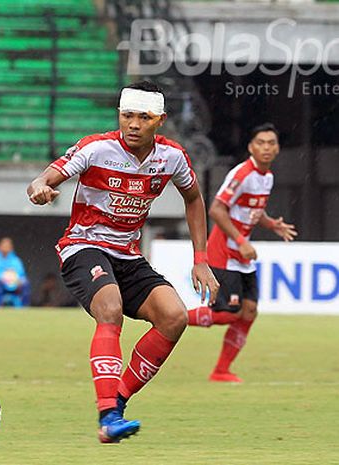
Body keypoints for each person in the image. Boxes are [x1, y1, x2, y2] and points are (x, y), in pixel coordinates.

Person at [27, 80, 219, 443]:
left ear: (160, 120)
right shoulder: (96, 149)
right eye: (127, 115)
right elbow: (46, 177)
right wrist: (40, 187)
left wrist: (201, 259)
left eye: (143, 117)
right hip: (83, 247)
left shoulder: (172, 157)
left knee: (174, 317)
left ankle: (117, 400)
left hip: (128, 255)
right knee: (110, 308)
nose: (133, 124)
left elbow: (194, 199)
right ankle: (107, 416)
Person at [187, 123, 297, 383]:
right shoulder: (243, 173)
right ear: (251, 147)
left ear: (278, 148)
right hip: (224, 252)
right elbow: (216, 209)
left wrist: (270, 224)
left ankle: (221, 371)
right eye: (261, 142)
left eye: (271, 143)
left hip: (242, 256)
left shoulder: (266, 177)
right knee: (228, 313)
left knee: (249, 312)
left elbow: (249, 211)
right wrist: (241, 240)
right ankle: (174, 317)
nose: (266, 147)